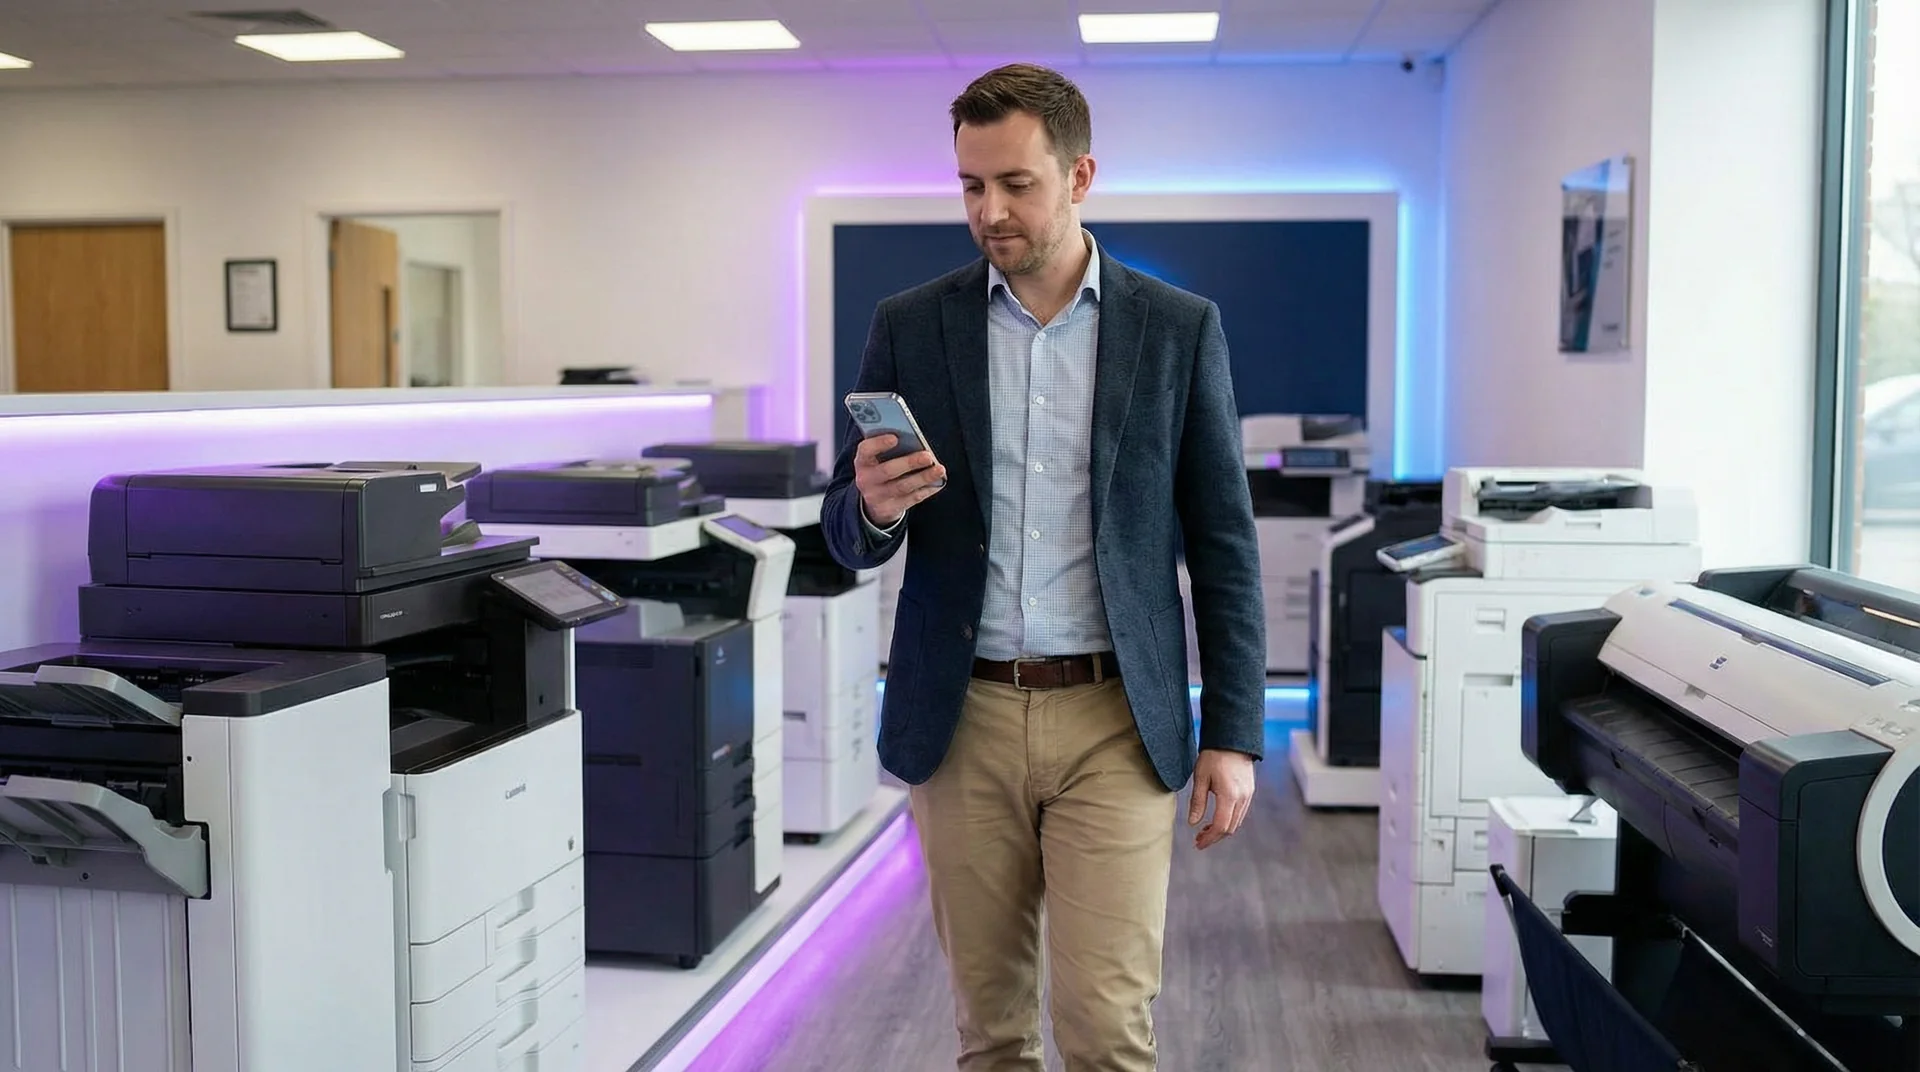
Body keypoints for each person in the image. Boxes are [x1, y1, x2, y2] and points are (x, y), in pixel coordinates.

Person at [821, 62, 1266, 1072]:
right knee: (991, 1033)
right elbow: (843, 528)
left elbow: (1224, 543)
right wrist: (873, 508)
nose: (990, 212)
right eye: (971, 186)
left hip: (1116, 718)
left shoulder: (1177, 328)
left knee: (1106, 1031)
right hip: (963, 716)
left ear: (1080, 176)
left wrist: (1234, 731)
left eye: (1017, 184)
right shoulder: (911, 325)